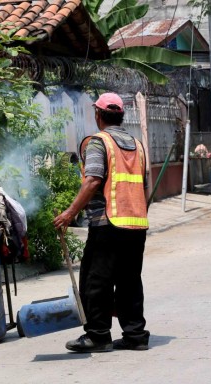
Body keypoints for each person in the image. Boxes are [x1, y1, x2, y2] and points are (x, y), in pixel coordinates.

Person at [53, 92, 150, 353]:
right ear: (121, 116)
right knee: (130, 280)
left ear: (98, 115)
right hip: (136, 222)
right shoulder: (137, 144)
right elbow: (145, 186)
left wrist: (69, 213)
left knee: (96, 281)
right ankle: (135, 335)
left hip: (108, 222)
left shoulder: (99, 142)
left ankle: (98, 335)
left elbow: (93, 180)